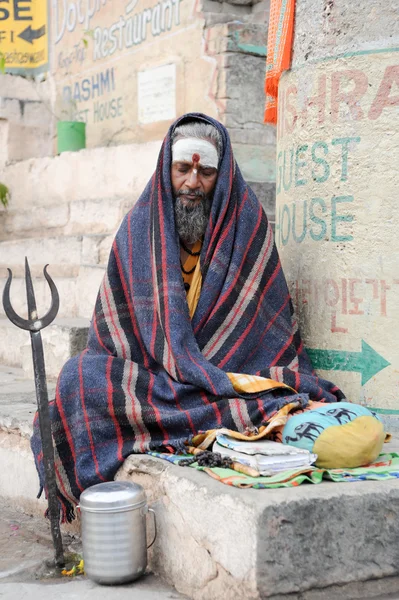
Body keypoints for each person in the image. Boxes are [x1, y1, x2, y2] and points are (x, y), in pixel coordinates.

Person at [31, 113, 345, 521]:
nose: (193, 183)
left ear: (223, 174)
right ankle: (202, 418)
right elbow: (112, 335)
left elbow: (266, 329)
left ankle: (199, 415)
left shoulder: (246, 224)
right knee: (79, 377)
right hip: (156, 379)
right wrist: (171, 364)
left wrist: (203, 369)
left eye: (205, 171)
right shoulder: (137, 229)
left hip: (224, 376)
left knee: (276, 390)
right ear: (168, 168)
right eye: (183, 169)